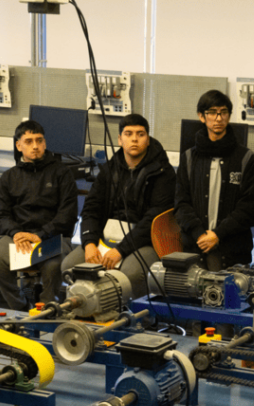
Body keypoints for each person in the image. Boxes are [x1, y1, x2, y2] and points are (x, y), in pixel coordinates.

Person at [61, 113, 174, 298]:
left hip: (145, 240)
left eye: (140, 134)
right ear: (120, 140)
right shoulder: (109, 169)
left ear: (148, 139)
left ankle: (135, 321)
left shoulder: (163, 173)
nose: (134, 139)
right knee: (69, 266)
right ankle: (89, 314)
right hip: (105, 238)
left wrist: (120, 250)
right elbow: (91, 209)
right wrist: (89, 243)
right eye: (128, 134)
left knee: (129, 275)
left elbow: (152, 220)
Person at [0, 120, 78, 311]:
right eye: (28, 141)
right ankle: (18, 306)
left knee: (54, 264)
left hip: (52, 238)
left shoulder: (62, 173)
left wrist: (40, 235)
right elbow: (1, 214)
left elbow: (67, 214)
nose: (35, 146)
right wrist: (17, 233)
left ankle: (46, 308)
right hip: (19, 238)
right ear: (18, 146)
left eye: (39, 140)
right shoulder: (9, 177)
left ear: (45, 143)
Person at [174, 90, 254, 270]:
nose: (218, 118)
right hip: (194, 248)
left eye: (223, 112)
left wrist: (217, 235)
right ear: (201, 116)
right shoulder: (189, 158)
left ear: (229, 116)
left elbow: (248, 209)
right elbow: (181, 204)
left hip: (233, 250)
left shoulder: (247, 159)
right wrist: (200, 235)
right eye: (212, 112)